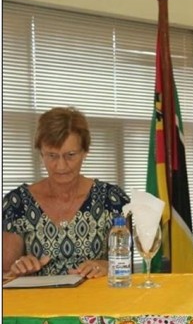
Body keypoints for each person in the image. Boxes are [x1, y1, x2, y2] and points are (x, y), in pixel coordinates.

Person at [2, 107, 130, 278]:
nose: (61, 166)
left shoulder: (111, 199)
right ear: (41, 154)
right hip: (38, 303)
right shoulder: (17, 203)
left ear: (85, 152)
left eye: (70, 155)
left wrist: (106, 266)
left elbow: (126, 266)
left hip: (96, 302)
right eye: (52, 156)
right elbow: (5, 272)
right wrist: (20, 268)